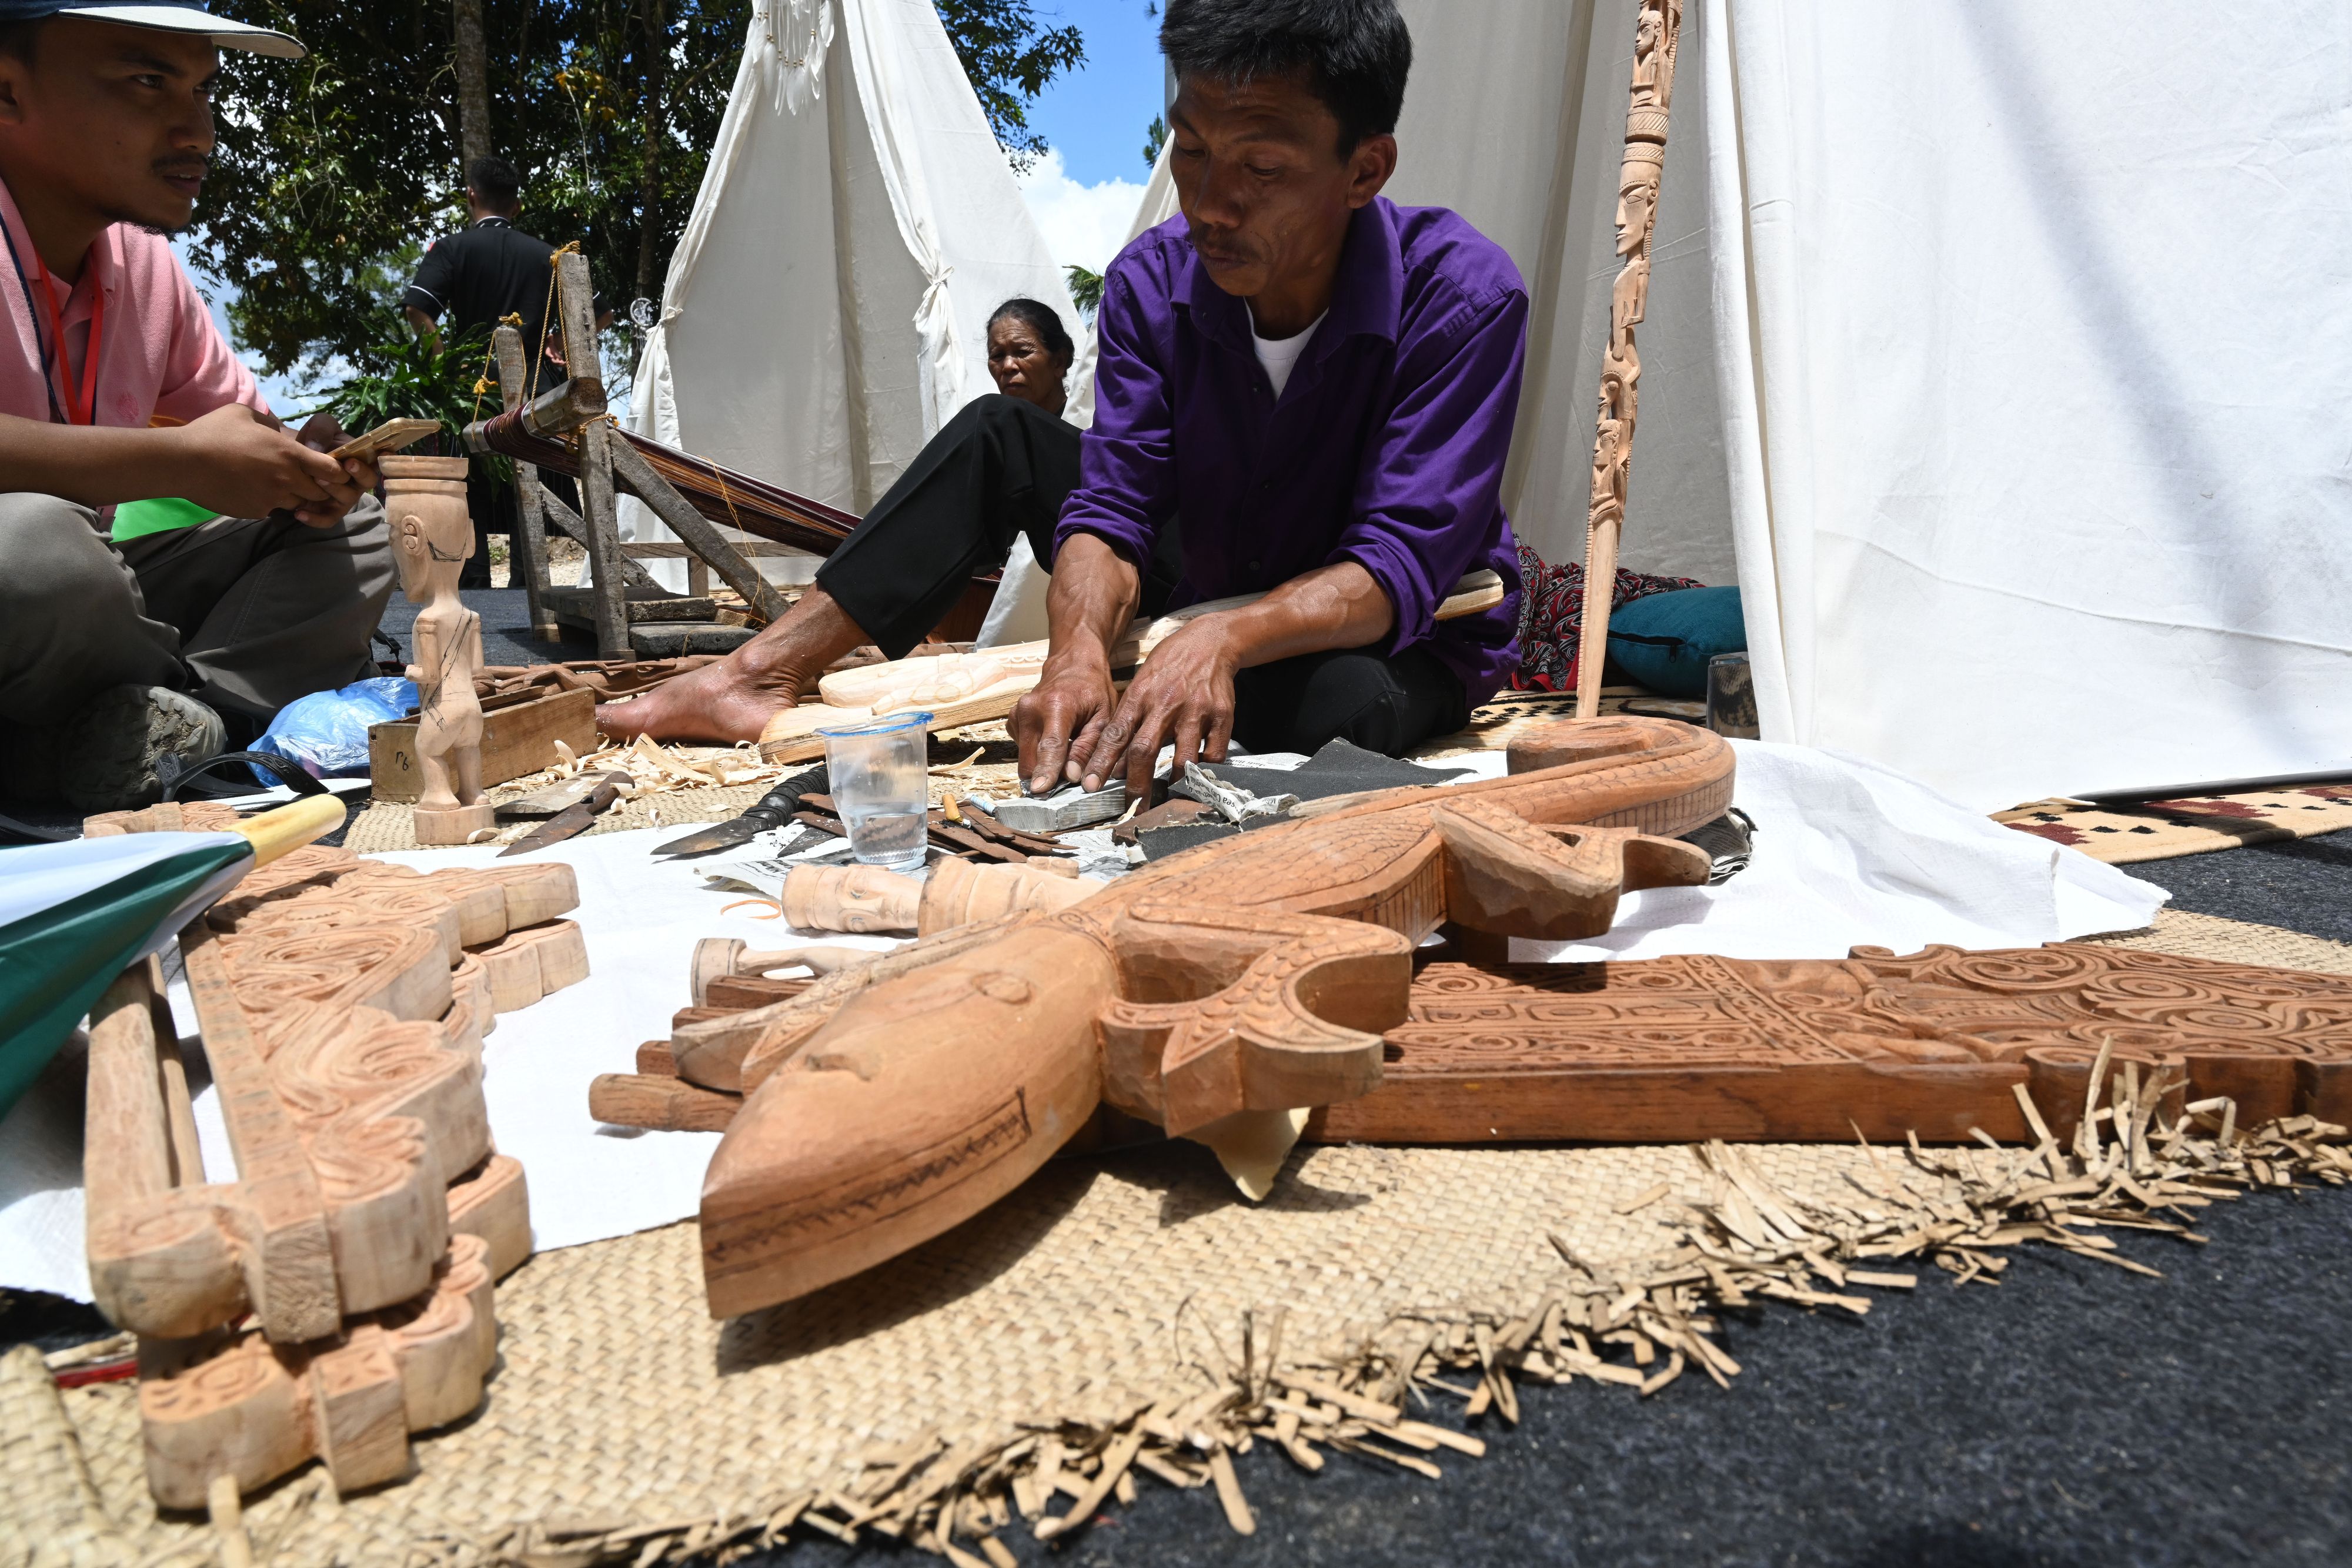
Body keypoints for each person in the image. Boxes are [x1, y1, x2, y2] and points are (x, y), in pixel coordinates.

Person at [1012, 0, 1524, 797]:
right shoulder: (1151, 285)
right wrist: (1074, 654)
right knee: (1136, 687)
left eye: (1262, 168)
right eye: (1190, 148)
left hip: (1411, 633)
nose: (1210, 203)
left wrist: (1225, 635)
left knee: (1346, 705)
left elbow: (1396, 562)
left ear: (1364, 171)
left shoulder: (1462, 297)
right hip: (1226, 603)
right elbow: (1113, 510)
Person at [0, 1, 386, 813]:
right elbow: (186, 458)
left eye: (205, 91)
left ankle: (186, 730)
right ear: (7, 90)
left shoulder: (144, 268)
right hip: (39, 593)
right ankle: (100, 742)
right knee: (36, 546)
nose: (200, 131)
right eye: (147, 82)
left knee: (349, 530)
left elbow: (242, 437)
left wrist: (307, 465)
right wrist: (182, 460)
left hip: (87, 619)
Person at [601, 295, 1135, 743]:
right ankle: (758, 670)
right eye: (997, 356)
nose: (1008, 366)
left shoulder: (1102, 426)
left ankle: (759, 673)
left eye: (1023, 352)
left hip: (1166, 566)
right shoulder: (1031, 461)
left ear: (1063, 359)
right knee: (997, 429)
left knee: (996, 427)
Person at [403, 155, 604, 586]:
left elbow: (418, 308)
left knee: (470, 490)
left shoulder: (453, 249)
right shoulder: (549, 255)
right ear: (516, 205)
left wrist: (442, 362)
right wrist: (559, 344)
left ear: (471, 195)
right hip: (535, 391)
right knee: (527, 485)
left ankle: (472, 587)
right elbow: (598, 312)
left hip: (473, 392)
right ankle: (528, 586)